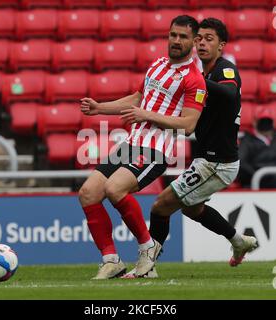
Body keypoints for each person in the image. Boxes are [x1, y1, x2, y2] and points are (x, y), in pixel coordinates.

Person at [79, 15, 207, 280]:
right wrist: (100, 108)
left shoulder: (195, 79)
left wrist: (147, 115)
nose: (176, 40)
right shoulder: (158, 65)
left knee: (114, 189)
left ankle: (148, 247)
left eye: (183, 37)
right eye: (173, 35)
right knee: (88, 192)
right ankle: (111, 260)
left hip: (156, 149)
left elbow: (189, 125)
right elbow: (138, 99)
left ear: (194, 41)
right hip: (132, 143)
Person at [132, 18, 258, 278]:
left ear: (221, 46)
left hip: (218, 162)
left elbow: (229, 95)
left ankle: (147, 266)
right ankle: (238, 241)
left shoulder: (225, 70)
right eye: (199, 38)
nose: (202, 43)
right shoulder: (201, 73)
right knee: (191, 208)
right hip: (206, 159)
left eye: (209, 39)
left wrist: (195, 81)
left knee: (160, 206)